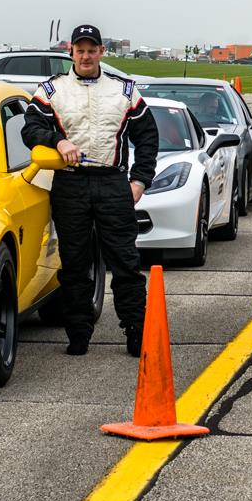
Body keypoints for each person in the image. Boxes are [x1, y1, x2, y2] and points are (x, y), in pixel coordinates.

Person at [22, 24, 158, 357]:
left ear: (101, 53)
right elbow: (30, 128)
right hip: (70, 182)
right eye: (80, 50)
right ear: (71, 52)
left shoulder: (124, 90)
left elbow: (148, 136)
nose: (86, 55)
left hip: (113, 182)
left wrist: (139, 181)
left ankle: (135, 333)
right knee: (74, 263)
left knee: (125, 262)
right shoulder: (52, 90)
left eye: (92, 49)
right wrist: (58, 140)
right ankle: (79, 333)